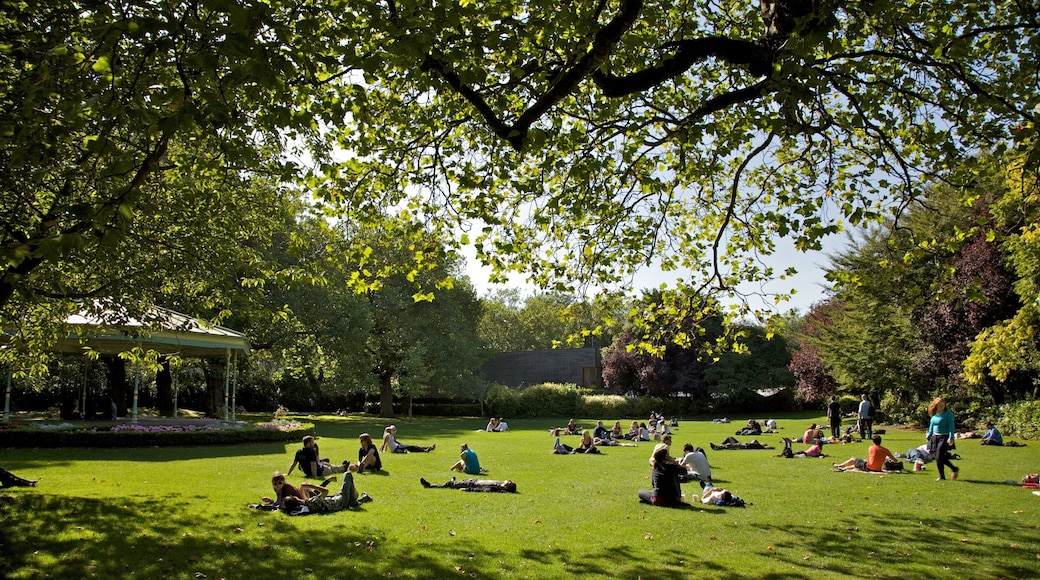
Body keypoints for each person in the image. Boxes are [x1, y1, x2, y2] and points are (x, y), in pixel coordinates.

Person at [927, 397, 959, 480]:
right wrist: (929, 434)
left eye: (943, 405)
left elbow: (951, 427)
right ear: (935, 406)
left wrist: (951, 437)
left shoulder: (948, 414)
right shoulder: (934, 414)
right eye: (940, 405)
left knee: (939, 456)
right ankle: (942, 476)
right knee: (937, 458)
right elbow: (932, 426)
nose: (942, 406)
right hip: (935, 437)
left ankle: (954, 468)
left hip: (944, 437)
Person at [832, 435, 896, 472]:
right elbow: (894, 460)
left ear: (873, 441)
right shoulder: (886, 450)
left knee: (853, 459)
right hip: (878, 469)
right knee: (860, 463)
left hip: (870, 468)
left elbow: (871, 458)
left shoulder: (871, 448)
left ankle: (839, 465)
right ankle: (843, 467)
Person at [420, 477, 517, 492]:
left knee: (449, 484)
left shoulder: (495, 488)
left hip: (470, 485)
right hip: (472, 480)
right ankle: (453, 481)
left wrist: (467, 489)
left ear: (506, 487)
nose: (507, 480)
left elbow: (481, 490)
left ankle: (430, 485)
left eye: (508, 482)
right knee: (456, 482)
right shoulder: (499, 484)